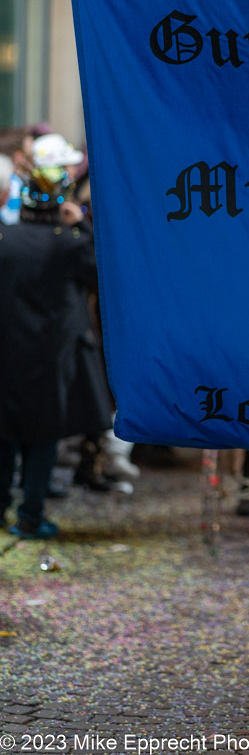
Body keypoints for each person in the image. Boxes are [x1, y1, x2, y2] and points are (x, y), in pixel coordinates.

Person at [0, 133, 113, 538]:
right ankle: (31, 514)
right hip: (50, 355)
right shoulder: (67, 244)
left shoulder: (6, 240)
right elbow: (104, 272)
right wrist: (80, 224)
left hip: (7, 352)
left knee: (5, 437)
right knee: (43, 437)